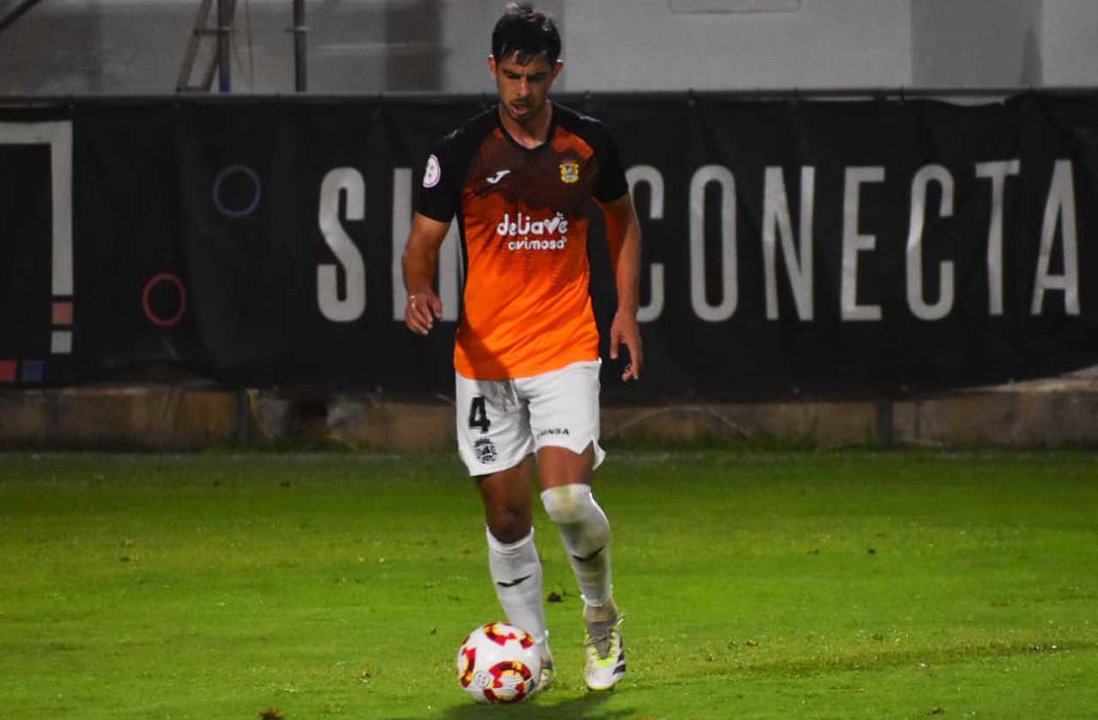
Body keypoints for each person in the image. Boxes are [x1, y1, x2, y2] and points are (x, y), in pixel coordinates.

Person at [402, 2, 642, 693]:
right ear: (493, 69)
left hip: (566, 346)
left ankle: (601, 621)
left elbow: (622, 225)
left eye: (535, 76)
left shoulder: (588, 144)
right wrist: (419, 291)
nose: (522, 91)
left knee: (565, 500)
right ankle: (531, 654)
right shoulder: (460, 151)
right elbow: (421, 246)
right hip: (484, 362)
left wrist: (625, 310)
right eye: (511, 75)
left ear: (554, 72)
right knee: (507, 515)